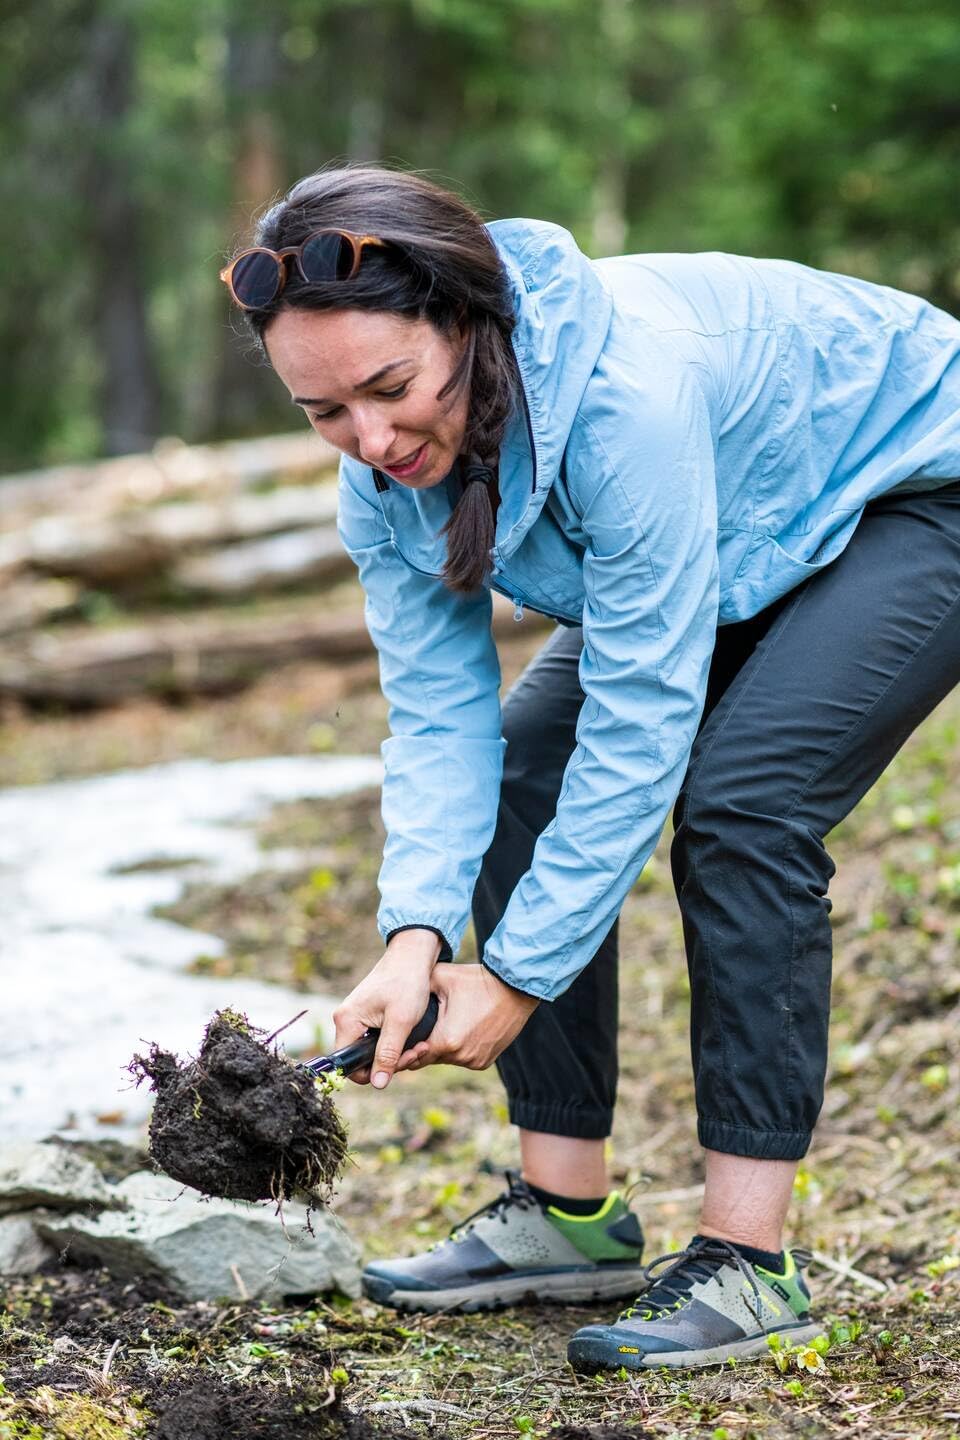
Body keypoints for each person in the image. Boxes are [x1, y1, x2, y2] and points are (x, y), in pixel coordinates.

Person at [220, 164, 960, 1371]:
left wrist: (515, 977)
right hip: (743, 529)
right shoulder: (384, 485)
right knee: (525, 765)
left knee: (747, 803)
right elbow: (442, 723)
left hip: (912, 488)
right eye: (325, 411)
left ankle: (750, 1261)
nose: (372, 440)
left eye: (391, 389)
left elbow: (640, 719)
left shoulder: (625, 403)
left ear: (466, 322)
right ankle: (568, 1213)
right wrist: (415, 936)